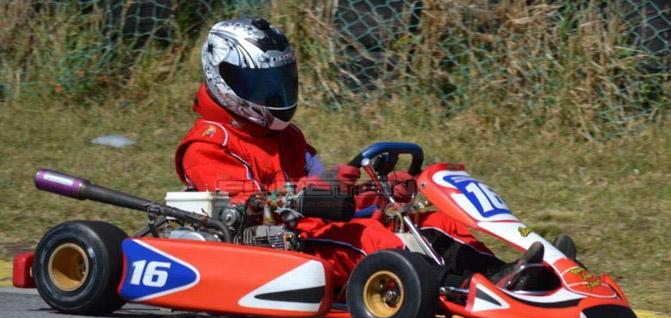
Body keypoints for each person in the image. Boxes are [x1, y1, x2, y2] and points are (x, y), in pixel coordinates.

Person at [174, 18, 571, 289]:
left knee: (427, 218)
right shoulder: (206, 146)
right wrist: (324, 191)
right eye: (260, 85)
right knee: (370, 233)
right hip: (266, 248)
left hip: (308, 232)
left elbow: (327, 191)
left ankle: (505, 274)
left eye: (279, 83)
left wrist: (377, 190)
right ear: (222, 78)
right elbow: (248, 210)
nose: (274, 96)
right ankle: (463, 289)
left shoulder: (285, 135)